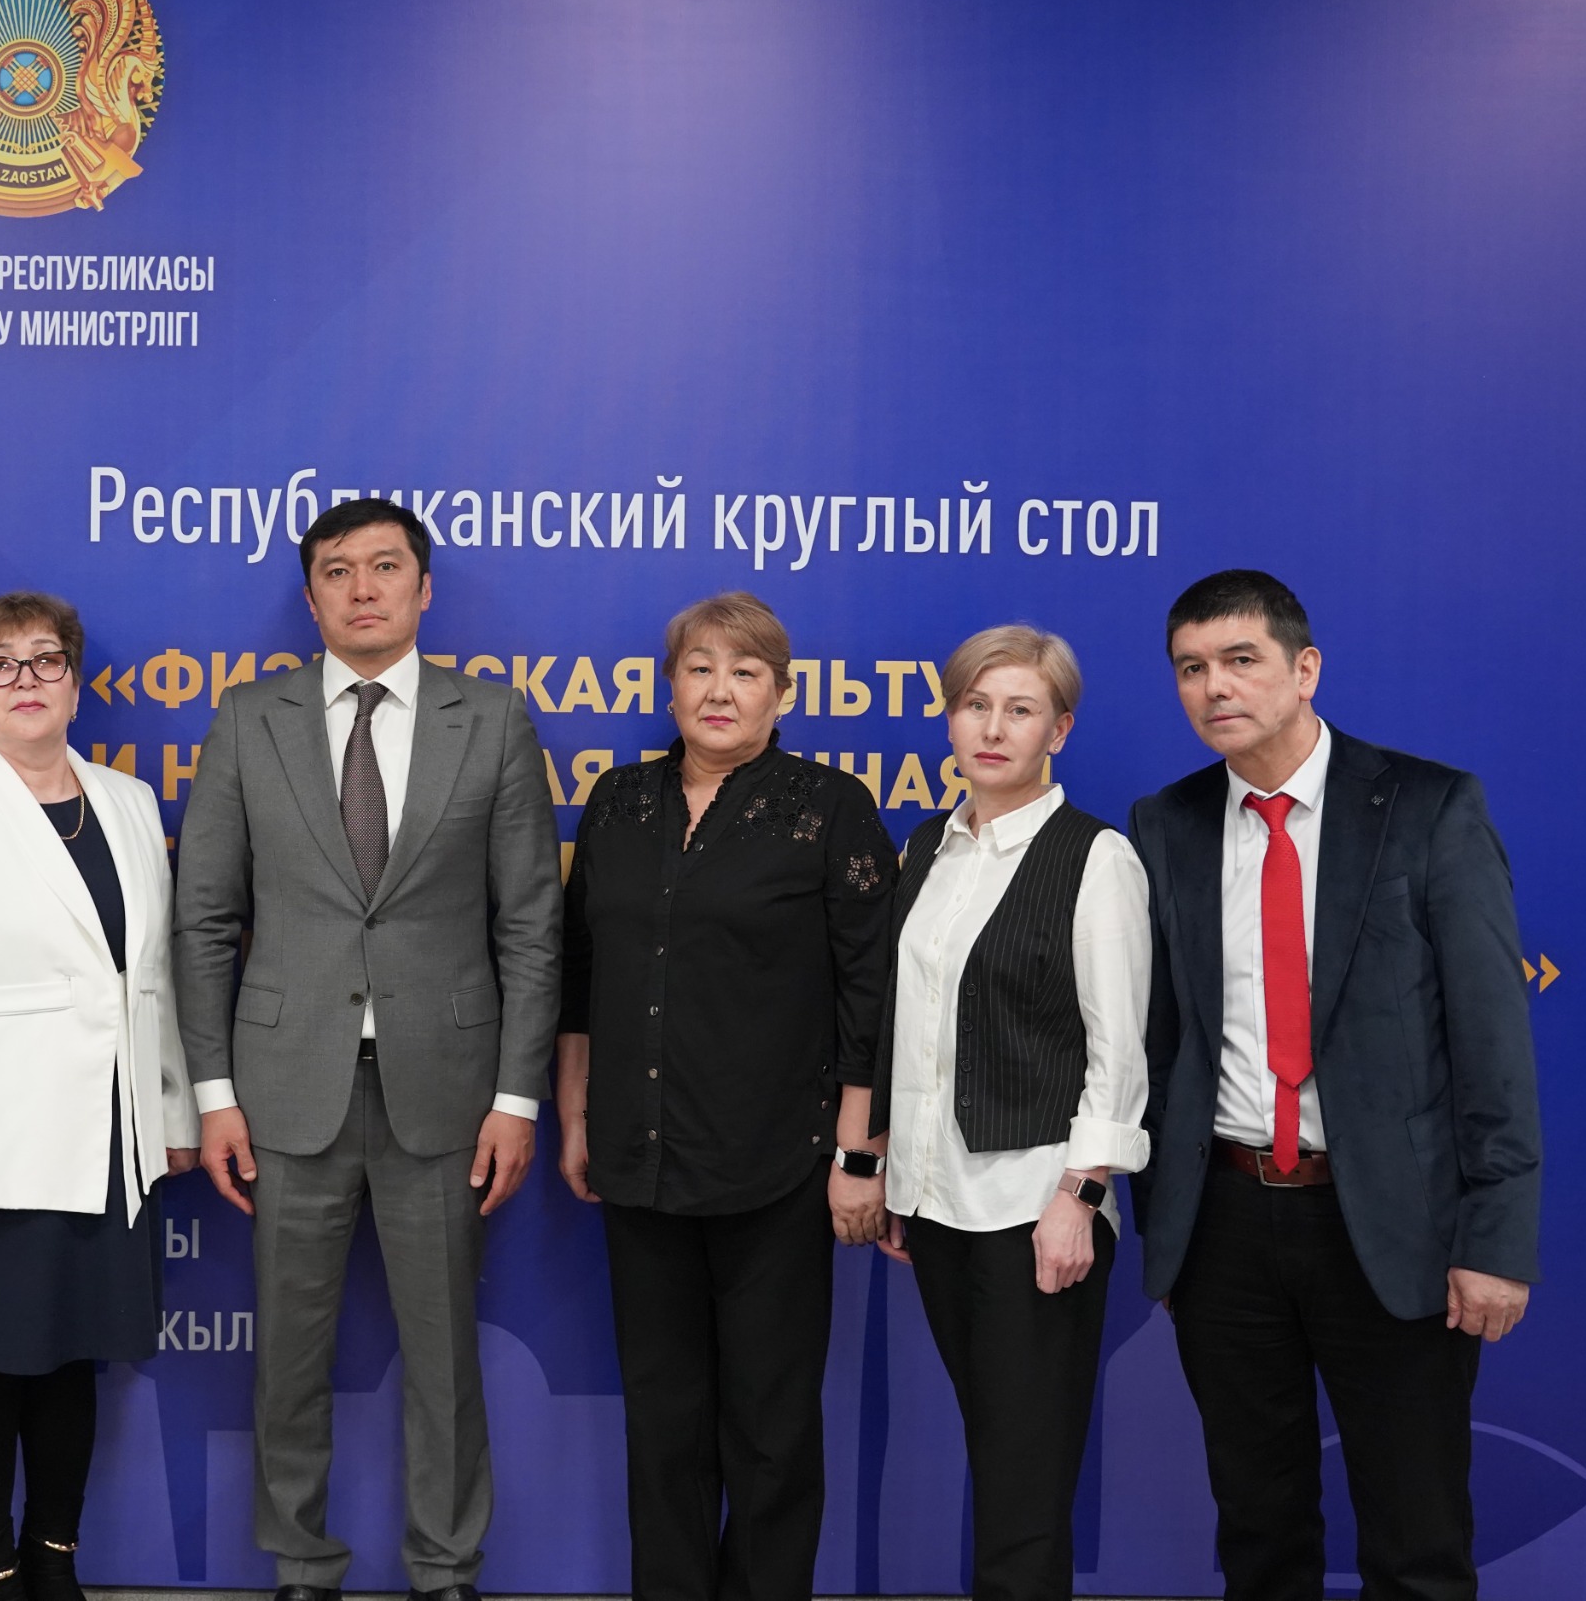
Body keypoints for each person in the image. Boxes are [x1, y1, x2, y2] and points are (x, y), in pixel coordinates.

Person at [171, 497, 562, 1601]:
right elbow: (204, 919)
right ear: (311, 599)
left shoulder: (492, 719)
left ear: (423, 588)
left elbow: (531, 923)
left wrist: (516, 1099)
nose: (362, 588)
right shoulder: (249, 718)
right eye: (337, 571)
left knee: (444, 1358)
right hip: (284, 1091)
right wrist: (214, 1091)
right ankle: (303, 1564)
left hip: (447, 1094)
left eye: (385, 566)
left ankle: (446, 1566)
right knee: (289, 1354)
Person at [1127, 570, 1541, 1601]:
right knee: (1258, 1532)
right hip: (1223, 1228)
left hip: (1393, 1229)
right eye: (1191, 668)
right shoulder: (1167, 822)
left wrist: (1494, 1239)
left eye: (1241, 659)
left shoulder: (1429, 806)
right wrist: (1166, 1220)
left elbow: (1492, 1041)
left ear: (1304, 668)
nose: (1215, 686)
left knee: (1416, 1538)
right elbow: (1161, 1043)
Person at [555, 591, 895, 1601]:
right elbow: (580, 972)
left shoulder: (828, 807)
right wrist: (574, 1114)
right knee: (662, 1421)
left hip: (777, 1165)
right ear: (669, 685)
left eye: (744, 672)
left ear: (781, 693)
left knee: (771, 1426)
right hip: (638, 1157)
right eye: (699, 668)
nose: (719, 690)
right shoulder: (619, 801)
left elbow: (870, 994)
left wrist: (859, 1153)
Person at [0, 592, 202, 1601]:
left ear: (74, 682)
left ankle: (55, 1559)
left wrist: (170, 1113)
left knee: (72, 1358)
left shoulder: (128, 801)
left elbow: (151, 977)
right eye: (0, 664)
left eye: (46, 659)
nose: (26, 679)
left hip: (109, 1143)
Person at [835, 624, 1152, 1601]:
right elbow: (909, 1027)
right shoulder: (929, 844)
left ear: (1059, 728)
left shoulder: (1095, 857)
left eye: (1020, 709)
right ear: (949, 719)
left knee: (1023, 1483)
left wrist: (1080, 1195)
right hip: (938, 1208)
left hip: (1035, 1208)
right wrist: (896, 1171)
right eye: (975, 705)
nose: (993, 727)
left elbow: (1118, 1048)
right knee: (996, 1446)